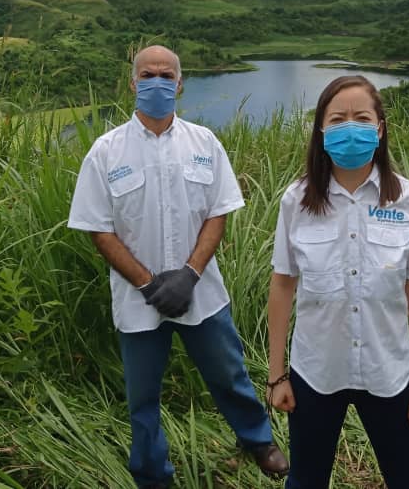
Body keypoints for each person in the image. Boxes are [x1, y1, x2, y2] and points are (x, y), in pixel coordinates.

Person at [67, 45, 288, 489]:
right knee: (142, 397)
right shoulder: (105, 151)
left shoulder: (204, 143)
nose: (157, 82)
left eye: (166, 75)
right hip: (138, 302)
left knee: (228, 373)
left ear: (180, 83)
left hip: (201, 294)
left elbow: (218, 212)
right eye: (147, 74)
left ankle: (258, 440)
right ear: (133, 83)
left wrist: (188, 274)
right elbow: (98, 228)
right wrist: (149, 284)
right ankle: (152, 474)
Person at [267, 75, 409, 489]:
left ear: (379, 129)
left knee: (408, 478)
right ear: (321, 130)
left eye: (362, 118)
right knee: (306, 480)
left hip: (388, 370)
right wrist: (277, 375)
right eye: (338, 118)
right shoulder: (298, 201)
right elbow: (282, 285)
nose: (351, 127)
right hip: (316, 370)